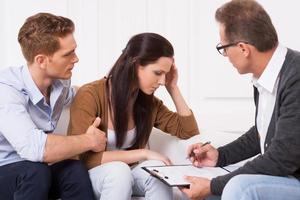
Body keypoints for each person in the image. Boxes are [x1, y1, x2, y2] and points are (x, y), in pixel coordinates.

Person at [181, 0, 300, 200]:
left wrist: (214, 185)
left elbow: (282, 157)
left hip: (292, 176)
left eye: (224, 47)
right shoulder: (267, 78)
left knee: (240, 187)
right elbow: (263, 133)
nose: (225, 55)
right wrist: (221, 156)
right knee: (201, 189)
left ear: (243, 49)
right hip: (287, 177)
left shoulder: (295, 76)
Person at [67, 32, 199, 200]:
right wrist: (142, 153)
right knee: (119, 171)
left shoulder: (148, 103)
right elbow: (80, 157)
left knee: (157, 171)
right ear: (136, 64)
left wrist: (173, 88)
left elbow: (189, 131)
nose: (162, 81)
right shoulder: (90, 94)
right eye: (158, 72)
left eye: (165, 74)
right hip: (95, 176)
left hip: (128, 174)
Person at [0, 13, 107, 200]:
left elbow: (80, 94)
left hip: (34, 169)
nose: (76, 59)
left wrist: (118, 82)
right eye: (68, 54)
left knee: (74, 169)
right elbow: (34, 148)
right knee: (35, 171)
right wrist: (89, 140)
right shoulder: (6, 90)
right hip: (6, 169)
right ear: (41, 60)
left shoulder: (60, 84)